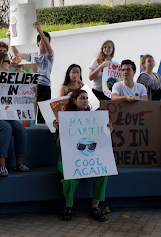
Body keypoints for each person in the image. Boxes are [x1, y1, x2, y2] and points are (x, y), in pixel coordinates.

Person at [53, 89, 111, 222]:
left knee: (102, 174)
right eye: (82, 98)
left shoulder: (94, 118)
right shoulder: (65, 118)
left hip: (90, 157)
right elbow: (60, 146)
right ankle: (68, 207)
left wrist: (107, 130)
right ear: (74, 100)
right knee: (69, 178)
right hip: (69, 158)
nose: (85, 101)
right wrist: (61, 130)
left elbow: (100, 140)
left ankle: (95, 207)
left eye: (86, 98)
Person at [11, 22, 54, 124]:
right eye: (42, 40)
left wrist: (39, 29)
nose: (44, 42)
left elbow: (49, 48)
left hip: (44, 86)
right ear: (38, 42)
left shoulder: (50, 55)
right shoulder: (33, 55)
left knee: (43, 115)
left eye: (47, 41)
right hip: (32, 86)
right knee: (28, 113)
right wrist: (10, 39)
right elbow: (16, 54)